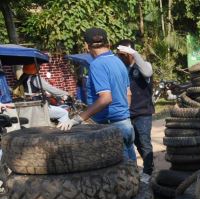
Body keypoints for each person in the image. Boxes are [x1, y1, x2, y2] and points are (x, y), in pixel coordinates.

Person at [58, 28, 136, 161]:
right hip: (126, 124)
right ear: (108, 43)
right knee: (131, 171)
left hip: (111, 127)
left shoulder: (97, 65)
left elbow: (106, 98)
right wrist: (123, 113)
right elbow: (128, 93)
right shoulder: (119, 62)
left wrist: (78, 119)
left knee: (119, 173)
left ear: (86, 46)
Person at [116, 39, 154, 175]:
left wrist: (134, 53)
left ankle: (149, 172)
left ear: (132, 53)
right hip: (127, 113)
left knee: (144, 143)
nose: (121, 57)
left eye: (124, 54)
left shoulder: (144, 66)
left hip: (143, 112)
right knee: (135, 143)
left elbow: (148, 73)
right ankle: (141, 170)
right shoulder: (121, 69)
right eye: (120, 54)